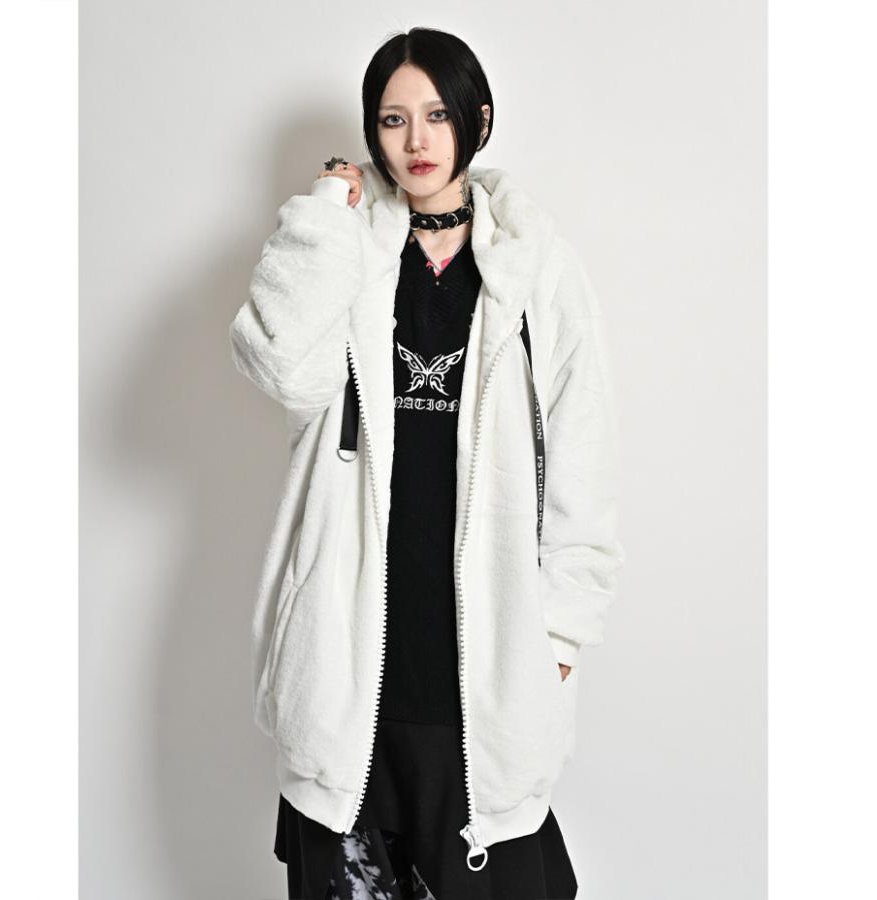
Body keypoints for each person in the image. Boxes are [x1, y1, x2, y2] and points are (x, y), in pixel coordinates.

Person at [229, 26, 626, 900]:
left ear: (477, 120)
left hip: (484, 651)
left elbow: (584, 451)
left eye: (438, 115)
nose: (415, 141)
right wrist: (325, 215)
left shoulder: (536, 267)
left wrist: (561, 630)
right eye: (393, 119)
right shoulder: (353, 251)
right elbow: (284, 368)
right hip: (352, 649)